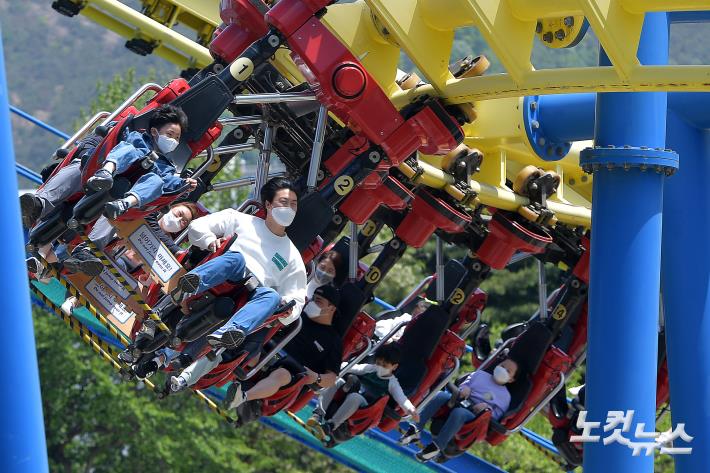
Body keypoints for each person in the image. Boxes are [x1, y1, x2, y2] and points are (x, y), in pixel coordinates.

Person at [174, 177, 306, 349]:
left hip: (249, 296)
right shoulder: (239, 219)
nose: (289, 208)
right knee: (237, 259)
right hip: (223, 275)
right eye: (284, 202)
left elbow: (297, 297)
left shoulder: (293, 257)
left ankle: (230, 332)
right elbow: (197, 226)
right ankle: (188, 286)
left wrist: (288, 310)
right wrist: (210, 241)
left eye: (293, 204)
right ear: (268, 204)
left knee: (272, 297)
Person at [221, 285, 342, 411]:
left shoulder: (333, 340)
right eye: (313, 299)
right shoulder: (298, 314)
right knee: (253, 347)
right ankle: (218, 359)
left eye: (318, 301)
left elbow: (331, 378)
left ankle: (242, 397)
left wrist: (317, 377)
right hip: (266, 351)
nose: (312, 303)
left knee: (282, 374)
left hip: (290, 369)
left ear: (331, 308)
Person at [86, 103, 198, 219]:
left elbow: (168, 181)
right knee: (129, 149)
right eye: (170, 134)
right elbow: (120, 136)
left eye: (177, 138)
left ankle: (124, 204)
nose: (173, 141)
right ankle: (105, 173)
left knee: (157, 181)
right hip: (118, 170)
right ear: (154, 132)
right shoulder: (137, 137)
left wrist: (184, 183)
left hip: (132, 188)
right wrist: (113, 128)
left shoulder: (167, 167)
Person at [400, 358, 519, 462]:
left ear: (511, 379)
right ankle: (416, 428)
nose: (503, 370)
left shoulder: (505, 396)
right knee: (441, 395)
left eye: (508, 371)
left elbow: (497, 416)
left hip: (474, 416)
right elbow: (464, 384)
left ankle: (436, 447)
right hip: (460, 400)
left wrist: (487, 408)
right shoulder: (480, 375)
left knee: (459, 413)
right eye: (502, 366)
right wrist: (465, 388)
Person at [309, 343, 419, 439]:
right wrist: (332, 366)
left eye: (384, 365)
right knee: (337, 381)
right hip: (354, 393)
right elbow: (351, 367)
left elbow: (401, 398)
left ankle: (331, 425)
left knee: (355, 397)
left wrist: (410, 409)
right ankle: (318, 414)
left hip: (367, 406)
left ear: (394, 367)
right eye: (378, 363)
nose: (380, 367)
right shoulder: (370, 368)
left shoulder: (392, 383)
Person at [19, 133, 103, 228]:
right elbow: (90, 143)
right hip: (90, 165)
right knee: (80, 168)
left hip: (110, 184)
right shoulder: (108, 129)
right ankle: (38, 205)